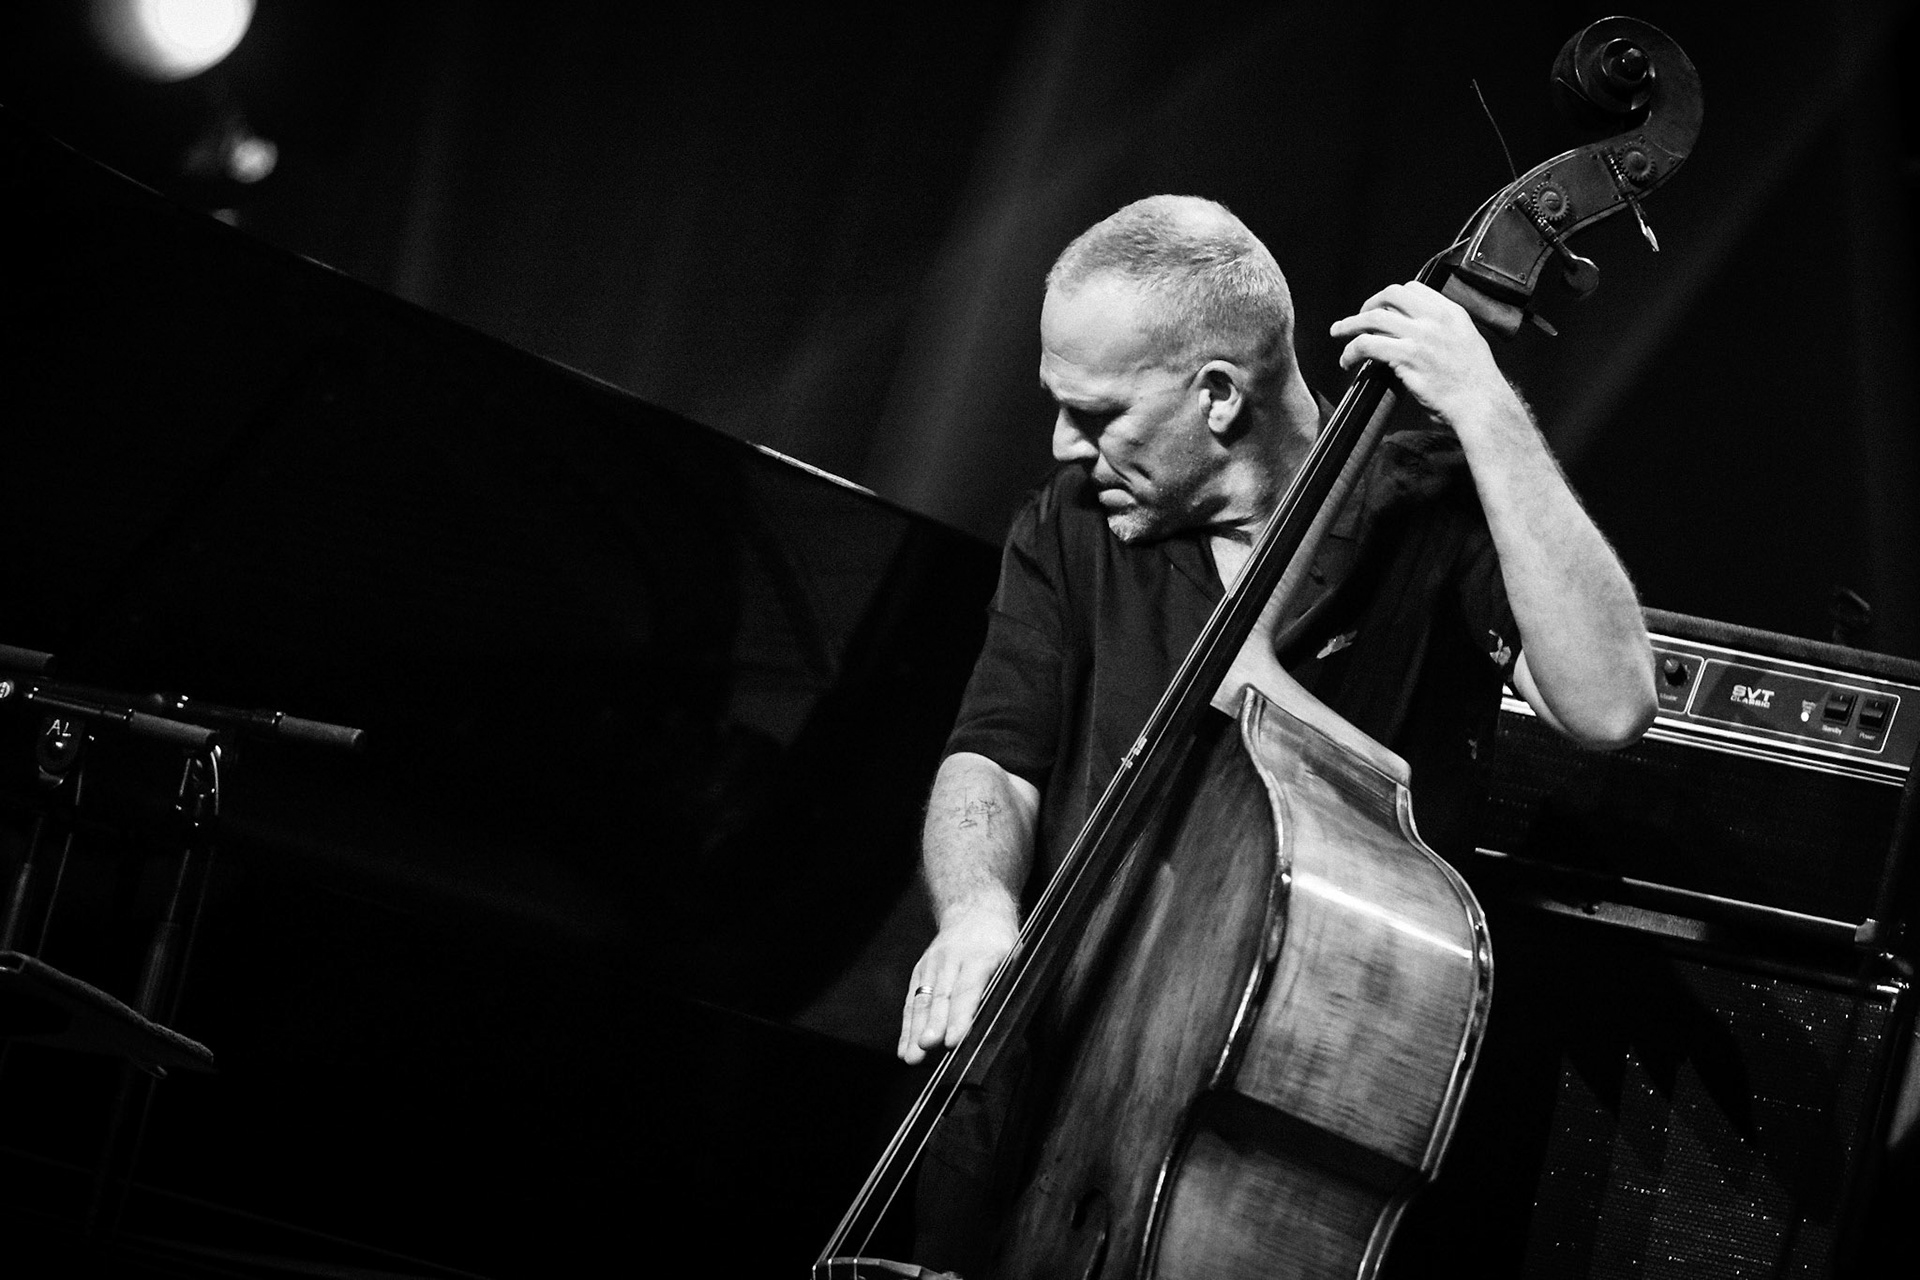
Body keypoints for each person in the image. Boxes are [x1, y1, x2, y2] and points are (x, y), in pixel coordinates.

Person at [893, 194, 1656, 1269]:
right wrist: (976, 910)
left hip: (1248, 1139)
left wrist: (1490, 417)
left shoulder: (1432, 514)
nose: (1068, 444)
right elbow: (994, 754)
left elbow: (1611, 702)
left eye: (1100, 413)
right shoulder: (1070, 523)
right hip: (1035, 1103)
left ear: (1216, 396)